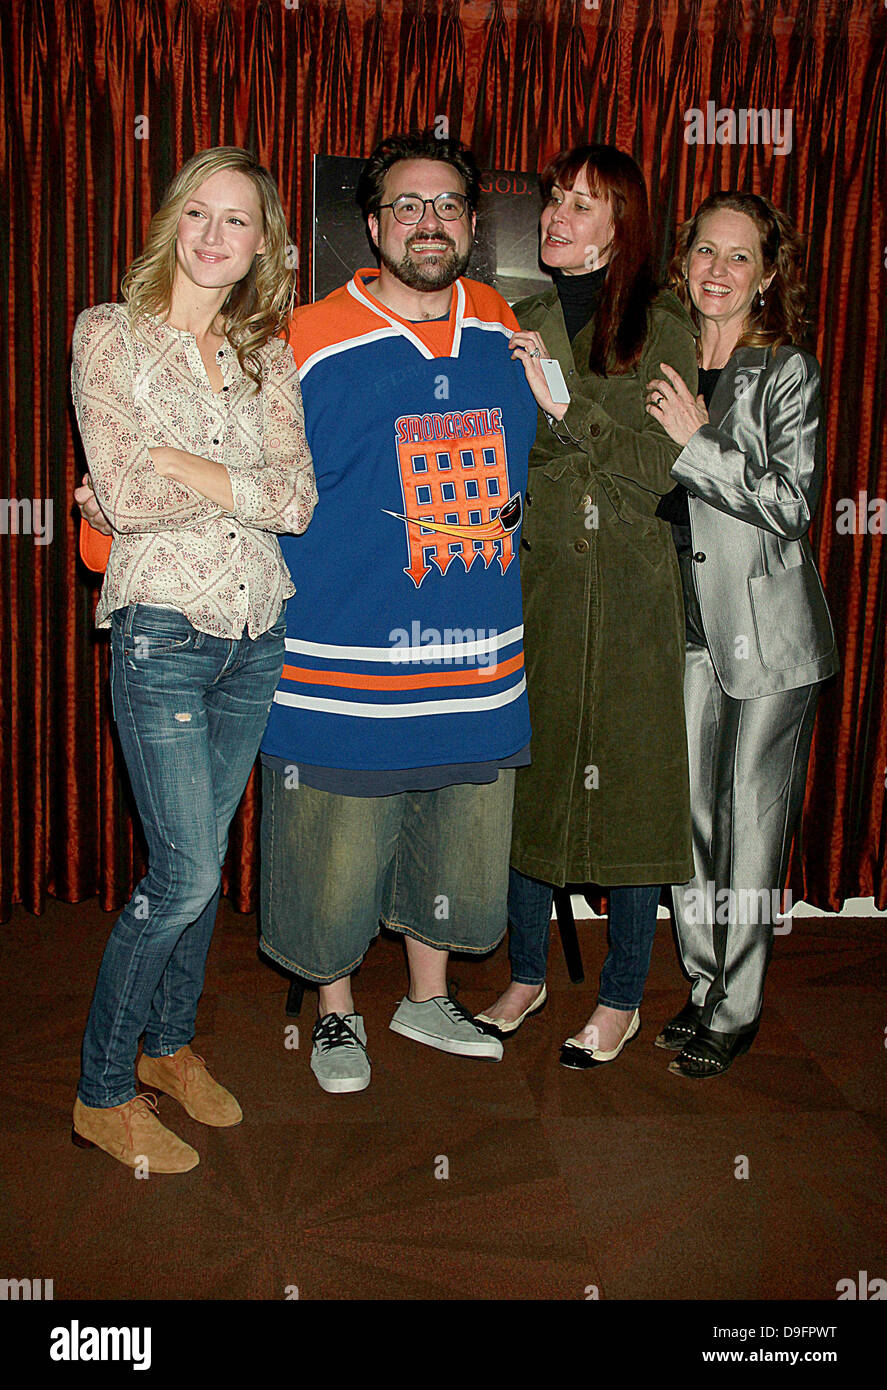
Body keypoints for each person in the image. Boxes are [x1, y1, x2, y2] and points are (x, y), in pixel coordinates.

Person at [255, 132, 539, 1092]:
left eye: (449, 205)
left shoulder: (501, 320)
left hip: (473, 650)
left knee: (454, 835)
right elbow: (256, 477)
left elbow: (527, 450)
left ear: (471, 222)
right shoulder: (303, 335)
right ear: (371, 225)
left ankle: (425, 998)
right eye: (408, 206)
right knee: (329, 853)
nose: (430, 222)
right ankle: (337, 1014)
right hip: (342, 652)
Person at [69, 147, 317, 1172]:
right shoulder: (109, 336)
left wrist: (182, 462)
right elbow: (123, 498)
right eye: (201, 215)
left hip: (256, 633)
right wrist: (227, 475)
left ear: (263, 244)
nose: (217, 237)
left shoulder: (267, 354)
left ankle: (169, 1046)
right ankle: (100, 1089)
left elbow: (297, 498)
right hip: (164, 629)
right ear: (174, 221)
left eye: (239, 221)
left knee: (203, 874)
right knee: (181, 875)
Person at [476, 145, 697, 1067]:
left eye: (582, 205)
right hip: (539, 589)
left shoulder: (661, 321)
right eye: (554, 200)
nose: (557, 218)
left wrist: (562, 407)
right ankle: (525, 976)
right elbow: (501, 460)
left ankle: (619, 997)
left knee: (632, 796)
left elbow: (656, 473)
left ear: (623, 225)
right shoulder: (516, 316)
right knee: (531, 778)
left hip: (633, 593)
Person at [647, 190, 838, 1078]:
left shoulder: (783, 371)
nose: (716, 271)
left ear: (764, 278)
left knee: (749, 824)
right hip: (681, 627)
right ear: (682, 263)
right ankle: (699, 984)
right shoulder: (664, 359)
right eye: (704, 253)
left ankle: (741, 1001)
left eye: (738, 257)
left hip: (767, 635)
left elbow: (791, 506)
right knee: (687, 820)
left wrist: (695, 442)